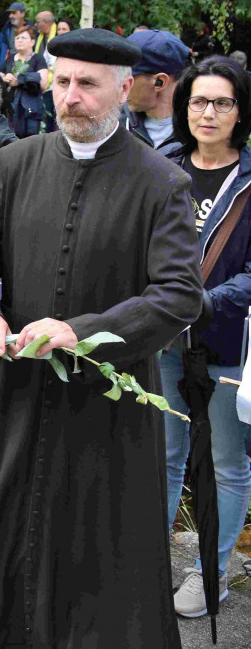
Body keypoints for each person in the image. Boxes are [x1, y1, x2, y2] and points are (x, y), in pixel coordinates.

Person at [0, 28, 203, 649]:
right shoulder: (17, 162)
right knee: (6, 535)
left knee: (96, 551)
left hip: (107, 407)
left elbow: (178, 295)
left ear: (124, 91)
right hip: (18, 393)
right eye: (62, 81)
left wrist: (80, 332)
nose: (70, 96)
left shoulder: (162, 182)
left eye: (87, 84)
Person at [160, 56, 251, 617]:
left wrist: (208, 301)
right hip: (163, 336)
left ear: (240, 111)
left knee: (224, 462)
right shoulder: (163, 165)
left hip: (226, 341)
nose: (208, 112)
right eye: (198, 101)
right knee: (165, 453)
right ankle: (147, 560)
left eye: (222, 102)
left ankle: (211, 572)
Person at [125, 29, 191, 154]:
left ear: (159, 82)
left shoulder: (200, 132)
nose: (121, 86)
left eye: (128, 79)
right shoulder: (116, 124)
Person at [0, 24, 51, 137]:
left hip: (31, 109)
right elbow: (0, 75)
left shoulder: (38, 58)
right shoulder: (11, 58)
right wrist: (5, 78)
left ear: (32, 42)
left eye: (23, 38)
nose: (19, 40)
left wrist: (20, 80)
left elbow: (44, 83)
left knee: (31, 140)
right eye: (17, 38)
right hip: (11, 108)